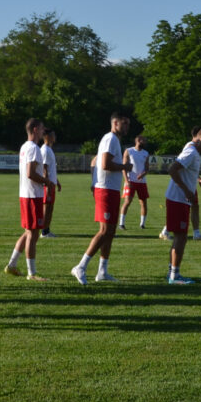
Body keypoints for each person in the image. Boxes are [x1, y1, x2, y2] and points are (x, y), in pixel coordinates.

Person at [71, 113, 131, 285]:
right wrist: (125, 167)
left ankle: (102, 271)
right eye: (124, 123)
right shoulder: (110, 139)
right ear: (115, 123)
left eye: (128, 124)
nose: (127, 126)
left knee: (110, 232)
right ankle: (81, 266)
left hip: (110, 189)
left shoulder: (113, 140)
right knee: (105, 231)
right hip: (105, 189)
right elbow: (105, 164)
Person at [164, 127, 201, 284]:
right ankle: (174, 276)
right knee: (181, 237)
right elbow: (172, 169)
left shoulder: (191, 148)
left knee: (180, 237)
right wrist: (187, 190)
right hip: (178, 198)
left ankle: (172, 273)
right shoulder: (191, 152)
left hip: (179, 199)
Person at [5, 118, 54, 281]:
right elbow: (30, 173)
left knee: (28, 232)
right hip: (33, 195)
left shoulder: (25, 147)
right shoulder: (33, 148)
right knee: (33, 234)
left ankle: (12, 265)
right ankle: (31, 273)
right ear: (34, 129)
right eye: (41, 129)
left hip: (26, 194)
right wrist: (47, 181)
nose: (43, 132)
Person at [161, 126, 201, 241]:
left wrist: (198, 178)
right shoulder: (190, 148)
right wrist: (186, 188)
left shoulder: (195, 150)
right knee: (183, 211)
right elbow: (178, 167)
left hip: (189, 184)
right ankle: (165, 231)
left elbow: (189, 167)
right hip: (185, 186)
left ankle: (196, 233)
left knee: (194, 207)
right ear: (198, 136)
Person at [119, 135, 150, 230]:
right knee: (127, 201)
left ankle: (142, 224)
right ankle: (121, 224)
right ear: (138, 140)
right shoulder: (129, 151)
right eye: (143, 140)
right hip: (130, 181)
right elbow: (124, 167)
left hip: (141, 182)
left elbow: (147, 168)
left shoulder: (146, 153)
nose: (145, 142)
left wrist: (143, 174)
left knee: (143, 203)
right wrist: (126, 180)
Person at [41, 129, 62, 238]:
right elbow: (44, 168)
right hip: (47, 185)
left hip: (51, 183)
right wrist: (47, 184)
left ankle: (47, 229)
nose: (55, 137)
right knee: (46, 207)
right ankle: (43, 232)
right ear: (47, 136)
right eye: (53, 135)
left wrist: (56, 182)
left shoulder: (49, 150)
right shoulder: (45, 150)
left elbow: (51, 169)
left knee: (50, 207)